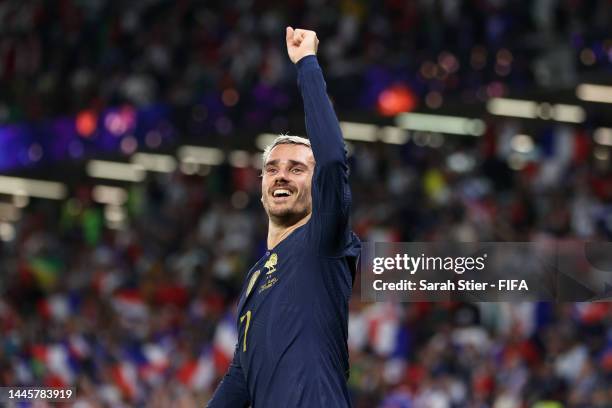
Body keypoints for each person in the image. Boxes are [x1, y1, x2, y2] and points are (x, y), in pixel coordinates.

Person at [207, 27, 361, 407]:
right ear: (260, 186)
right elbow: (240, 376)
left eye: (296, 169)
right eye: (272, 168)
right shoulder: (254, 279)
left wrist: (306, 63)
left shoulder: (324, 241)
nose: (281, 175)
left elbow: (331, 160)